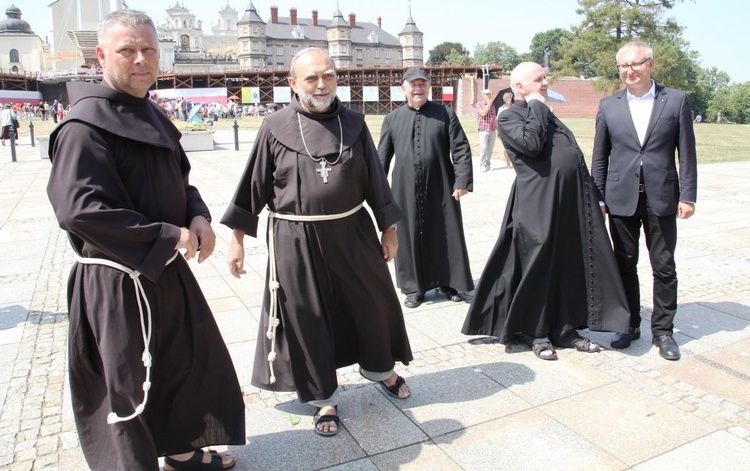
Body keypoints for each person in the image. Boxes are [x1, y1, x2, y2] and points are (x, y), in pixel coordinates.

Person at [46, 10, 244, 470]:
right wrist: (166, 233)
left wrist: (197, 215)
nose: (141, 59)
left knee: (181, 366)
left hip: (166, 272)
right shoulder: (84, 126)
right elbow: (79, 211)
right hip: (118, 282)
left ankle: (179, 449)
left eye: (149, 50)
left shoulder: (152, 112)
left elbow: (180, 179)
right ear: (101, 56)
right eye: (127, 50)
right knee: (128, 386)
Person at [222, 47, 413, 437]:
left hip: (352, 230)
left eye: (328, 75)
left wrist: (388, 229)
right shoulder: (274, 125)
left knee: (373, 301)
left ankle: (380, 368)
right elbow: (252, 187)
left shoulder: (355, 123)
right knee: (306, 317)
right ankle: (323, 397)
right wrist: (237, 240)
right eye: (311, 78)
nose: (321, 84)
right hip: (295, 236)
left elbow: (376, 180)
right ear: (293, 83)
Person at [462, 62, 630, 360]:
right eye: (538, 79)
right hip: (537, 204)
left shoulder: (547, 116)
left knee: (567, 265)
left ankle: (565, 328)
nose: (545, 83)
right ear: (520, 87)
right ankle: (536, 331)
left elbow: (574, 156)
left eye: (545, 78)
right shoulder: (510, 115)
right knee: (537, 266)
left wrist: (593, 197)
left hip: (568, 203)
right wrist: (539, 106)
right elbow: (531, 144)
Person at [592, 41, 697, 361]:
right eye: (623, 66)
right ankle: (629, 324)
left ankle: (663, 330)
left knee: (664, 266)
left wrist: (688, 195)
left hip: (663, 197)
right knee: (624, 263)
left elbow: (687, 154)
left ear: (651, 64)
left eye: (635, 64)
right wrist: (598, 198)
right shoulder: (609, 105)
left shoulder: (676, 100)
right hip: (620, 198)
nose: (629, 71)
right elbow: (600, 157)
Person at [378, 67, 474, 309]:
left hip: (441, 185)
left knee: (445, 232)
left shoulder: (445, 114)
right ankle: (413, 288)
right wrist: (378, 191)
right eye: (413, 84)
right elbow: (382, 158)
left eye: (423, 84)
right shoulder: (392, 119)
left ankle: (449, 283)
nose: (418, 88)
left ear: (428, 87)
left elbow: (461, 148)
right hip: (403, 189)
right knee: (407, 236)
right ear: (404, 88)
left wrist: (462, 180)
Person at [476, 89, 496, 172]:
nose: (489, 96)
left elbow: (494, 118)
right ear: (483, 96)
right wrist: (488, 105)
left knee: (490, 149)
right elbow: (483, 113)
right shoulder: (479, 104)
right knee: (483, 148)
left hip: (492, 129)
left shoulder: (493, 106)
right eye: (487, 94)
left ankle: (488, 164)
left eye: (490, 94)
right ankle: (482, 165)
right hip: (483, 129)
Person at [496, 91, 514, 169]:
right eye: (508, 97)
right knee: (505, 148)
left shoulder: (515, 107)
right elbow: (497, 121)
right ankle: (508, 163)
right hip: (505, 131)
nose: (509, 98)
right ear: (505, 99)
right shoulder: (501, 109)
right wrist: (499, 132)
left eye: (510, 97)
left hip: (514, 130)